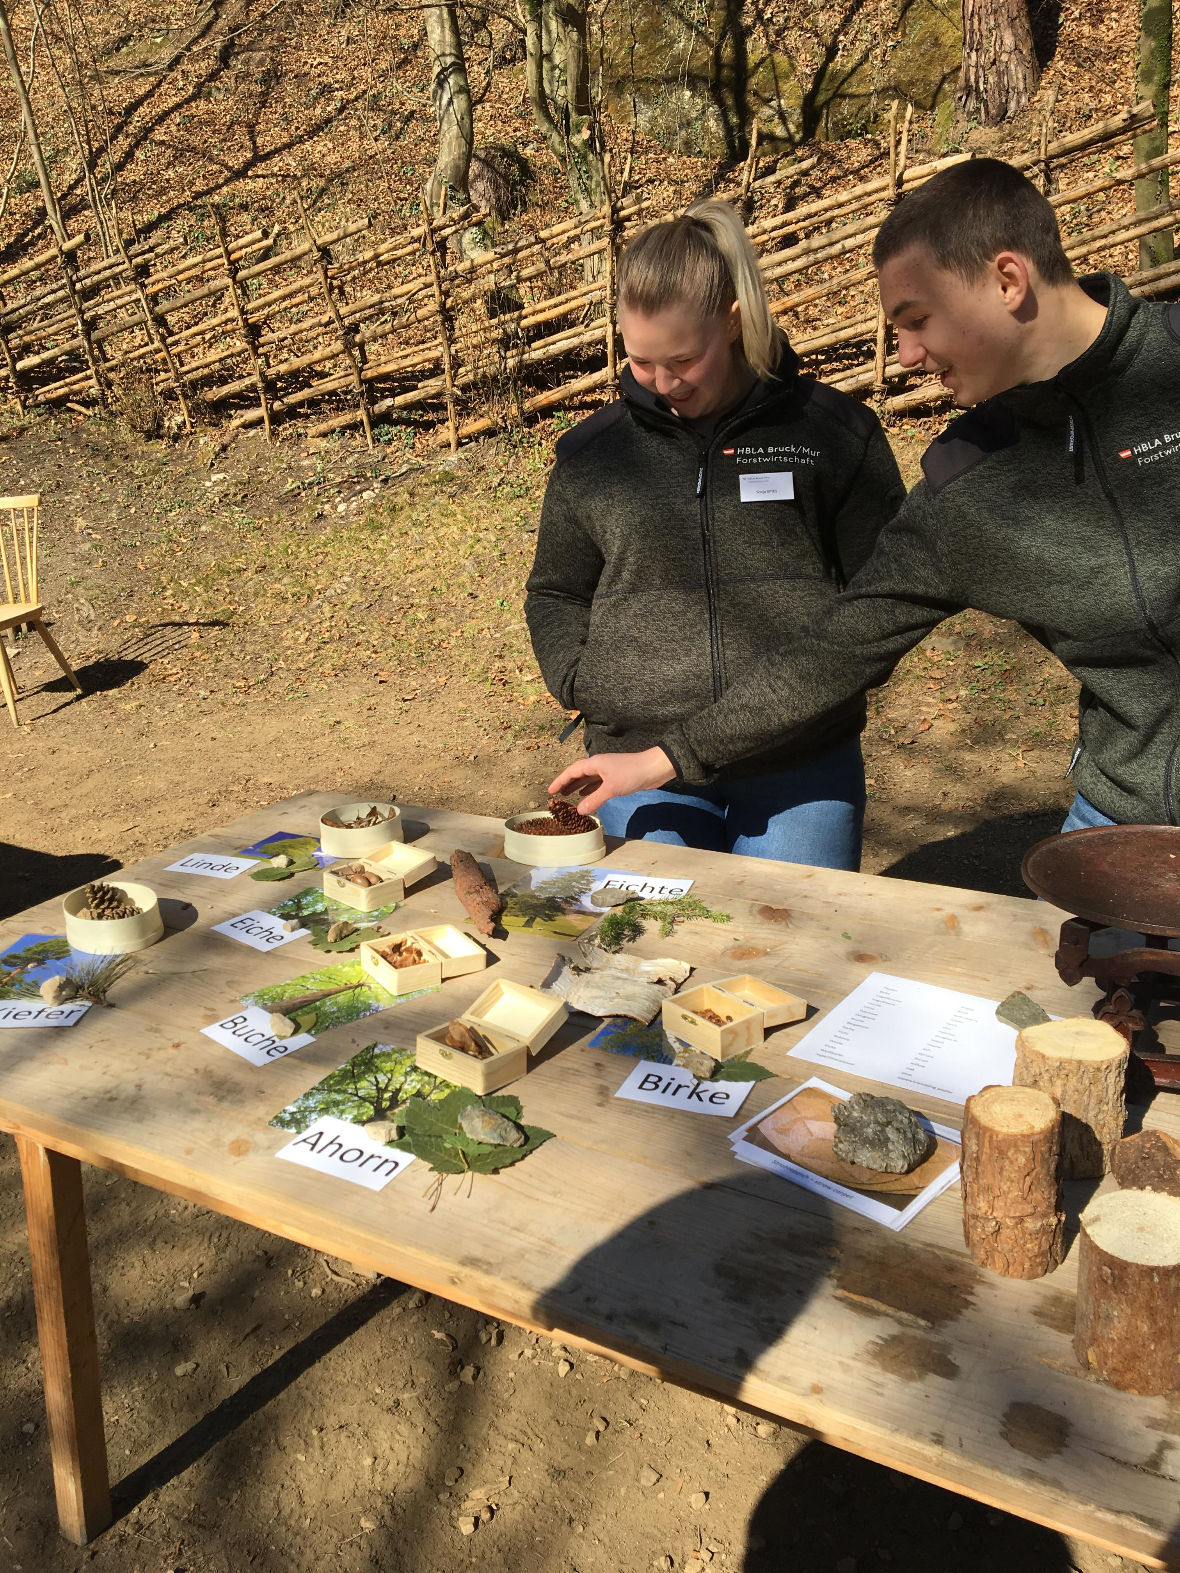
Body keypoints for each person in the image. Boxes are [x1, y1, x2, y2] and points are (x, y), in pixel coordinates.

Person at [550, 158, 1180, 835]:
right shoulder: (966, 485)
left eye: (918, 320)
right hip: (1129, 817)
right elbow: (833, 649)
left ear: (1007, 281)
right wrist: (665, 758)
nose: (906, 355)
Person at [524, 199, 905, 869]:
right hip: (636, 761)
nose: (663, 383)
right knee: (652, 952)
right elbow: (555, 590)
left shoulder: (833, 435)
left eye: (682, 360)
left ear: (732, 319)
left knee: (793, 958)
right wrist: (587, 682)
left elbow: (880, 603)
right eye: (642, 363)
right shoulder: (593, 457)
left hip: (803, 763)